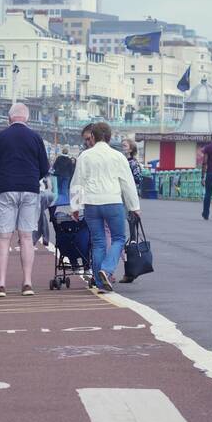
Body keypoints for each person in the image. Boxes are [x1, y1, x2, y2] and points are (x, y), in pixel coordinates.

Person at [0, 102, 50, 297]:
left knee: (4, 238)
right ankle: (27, 283)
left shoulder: (0, 137)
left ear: (9, 118)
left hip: (6, 189)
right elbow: (45, 167)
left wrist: (1, 178)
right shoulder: (35, 137)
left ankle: (1, 284)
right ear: (27, 118)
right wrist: (31, 178)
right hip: (30, 189)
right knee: (27, 237)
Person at [70, 121, 140, 293]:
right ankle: (107, 270)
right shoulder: (118, 157)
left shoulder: (85, 156)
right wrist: (134, 206)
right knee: (118, 238)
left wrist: (75, 207)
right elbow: (127, 183)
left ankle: (101, 284)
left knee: (98, 242)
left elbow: (77, 182)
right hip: (113, 201)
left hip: (92, 204)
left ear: (92, 136)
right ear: (109, 137)